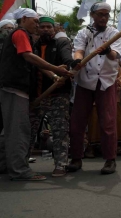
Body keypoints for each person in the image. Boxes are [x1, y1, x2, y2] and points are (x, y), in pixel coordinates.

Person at [0, 8, 71, 181]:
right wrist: (55, 69)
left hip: (25, 92)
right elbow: (30, 57)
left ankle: (8, 166)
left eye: (45, 25)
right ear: (24, 19)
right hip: (16, 90)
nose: (39, 26)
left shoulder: (46, 41)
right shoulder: (21, 34)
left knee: (14, 130)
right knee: (19, 131)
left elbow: (37, 65)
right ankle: (19, 170)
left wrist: (54, 76)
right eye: (37, 22)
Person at [67, 2, 121, 175]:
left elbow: (116, 55)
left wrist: (107, 52)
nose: (104, 18)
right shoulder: (83, 32)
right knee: (77, 122)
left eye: (106, 15)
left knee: (107, 122)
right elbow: (78, 51)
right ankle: (76, 158)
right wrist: (77, 60)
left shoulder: (113, 33)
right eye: (100, 14)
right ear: (92, 15)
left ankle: (110, 160)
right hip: (85, 81)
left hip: (106, 81)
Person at [28, 16, 76, 177]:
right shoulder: (32, 46)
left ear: (54, 30)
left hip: (58, 94)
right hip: (36, 96)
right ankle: (21, 164)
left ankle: (60, 164)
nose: (46, 29)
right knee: (29, 130)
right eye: (43, 27)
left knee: (60, 130)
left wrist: (70, 66)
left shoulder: (61, 43)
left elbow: (67, 59)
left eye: (49, 27)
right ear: (38, 29)